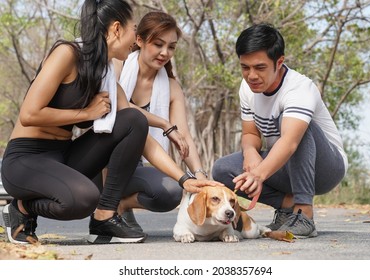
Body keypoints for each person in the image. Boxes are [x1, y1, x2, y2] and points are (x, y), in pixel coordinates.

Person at [1, 0, 220, 245]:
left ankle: (105, 216)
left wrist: (185, 179)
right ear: (116, 29)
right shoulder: (67, 54)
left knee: (133, 119)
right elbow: (29, 114)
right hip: (25, 159)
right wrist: (86, 113)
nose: (135, 38)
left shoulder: (103, 74)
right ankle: (21, 208)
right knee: (83, 199)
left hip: (63, 155)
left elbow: (140, 133)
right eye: (133, 30)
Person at [212, 23, 348, 238]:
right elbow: (250, 134)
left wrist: (258, 174)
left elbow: (291, 142)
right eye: (245, 67)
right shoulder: (247, 88)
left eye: (260, 67)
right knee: (222, 169)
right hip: (286, 166)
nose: (251, 75)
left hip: (326, 168)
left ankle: (304, 213)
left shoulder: (299, 88)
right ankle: (287, 207)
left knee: (301, 128)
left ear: (279, 62)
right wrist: (251, 154)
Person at [113, 11, 209, 231]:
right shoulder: (117, 67)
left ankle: (122, 206)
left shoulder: (172, 87)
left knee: (171, 191)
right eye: (158, 44)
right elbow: (120, 108)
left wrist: (200, 176)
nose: (165, 52)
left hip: (137, 166)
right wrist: (164, 124)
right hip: (103, 164)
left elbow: (183, 134)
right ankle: (105, 207)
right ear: (139, 40)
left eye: (171, 47)